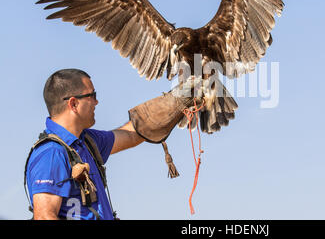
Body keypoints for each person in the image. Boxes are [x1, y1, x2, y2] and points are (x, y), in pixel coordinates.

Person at [25, 68, 199, 220]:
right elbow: (44, 216)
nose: (96, 102)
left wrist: (180, 99)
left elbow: (132, 135)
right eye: (92, 95)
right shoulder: (51, 153)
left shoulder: (87, 142)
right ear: (73, 103)